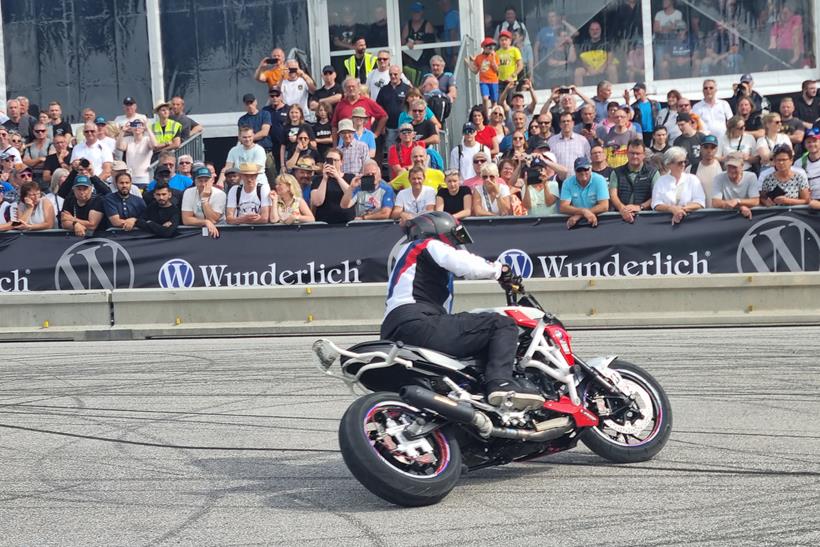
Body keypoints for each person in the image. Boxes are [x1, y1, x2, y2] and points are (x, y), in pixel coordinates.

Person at [381, 210, 545, 409]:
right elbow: (466, 264)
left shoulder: (410, 260)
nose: (455, 244)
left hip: (395, 330)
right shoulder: (427, 245)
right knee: (501, 324)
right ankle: (501, 384)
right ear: (438, 230)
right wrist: (500, 270)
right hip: (419, 322)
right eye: (453, 237)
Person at [651, 146, 705, 224]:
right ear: (669, 164)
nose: (683, 165)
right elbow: (655, 204)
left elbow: (700, 202)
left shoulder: (693, 179)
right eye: (680, 163)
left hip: (690, 222)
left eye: (685, 162)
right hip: (665, 223)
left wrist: (681, 209)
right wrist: (671, 209)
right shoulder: (660, 181)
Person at [559, 156, 609, 228]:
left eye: (586, 169)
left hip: (598, 220)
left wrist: (580, 215)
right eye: (579, 170)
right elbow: (563, 207)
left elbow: (604, 206)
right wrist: (583, 211)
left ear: (591, 169)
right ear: (575, 171)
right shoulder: (567, 182)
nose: (583, 172)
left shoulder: (600, 179)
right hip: (575, 223)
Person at [310, 149, 355, 225]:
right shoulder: (317, 180)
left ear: (341, 162)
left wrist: (338, 177)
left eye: (335, 160)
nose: (332, 163)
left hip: (346, 223)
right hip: (324, 223)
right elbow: (317, 202)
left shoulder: (350, 177)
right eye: (329, 160)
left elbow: (353, 196)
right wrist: (324, 179)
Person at [181, 166, 226, 238]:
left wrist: (204, 200)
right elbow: (186, 219)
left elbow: (213, 220)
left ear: (212, 181)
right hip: (197, 228)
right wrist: (205, 222)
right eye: (200, 181)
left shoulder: (220, 194)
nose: (203, 184)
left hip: (220, 229)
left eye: (206, 180)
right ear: (195, 181)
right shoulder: (188, 192)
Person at [711, 153, 760, 219]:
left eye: (734, 167)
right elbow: (715, 202)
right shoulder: (718, 178)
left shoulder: (751, 177)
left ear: (742, 166)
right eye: (729, 166)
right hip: (726, 217)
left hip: (748, 217)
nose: (731, 170)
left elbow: (755, 200)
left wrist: (737, 201)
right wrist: (740, 206)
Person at [574, 21, 617, 86]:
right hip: (589, 69)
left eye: (597, 29)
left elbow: (609, 59)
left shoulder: (606, 44)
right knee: (578, 71)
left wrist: (601, 68)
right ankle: (579, 93)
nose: (595, 31)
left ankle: (615, 90)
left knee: (612, 68)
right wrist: (589, 69)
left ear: (600, 30)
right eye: (592, 29)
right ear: (589, 31)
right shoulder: (584, 45)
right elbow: (583, 60)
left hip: (603, 68)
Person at [548, 112, 591, 177]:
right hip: (558, 181)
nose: (566, 123)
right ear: (560, 124)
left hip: (578, 179)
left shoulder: (582, 140)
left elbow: (589, 159)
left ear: (573, 123)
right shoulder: (552, 141)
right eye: (563, 121)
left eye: (568, 121)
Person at [116, 119, 157, 187]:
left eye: (140, 125)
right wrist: (123, 131)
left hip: (144, 178)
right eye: (134, 125)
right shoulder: (128, 139)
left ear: (143, 128)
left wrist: (148, 129)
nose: (137, 127)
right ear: (131, 128)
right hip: (130, 177)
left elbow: (155, 145)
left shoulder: (147, 139)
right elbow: (119, 147)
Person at [686, 134, 721, 206]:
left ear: (717, 149)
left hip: (718, 213)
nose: (709, 150)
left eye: (712, 147)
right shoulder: (691, 169)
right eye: (706, 147)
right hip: (697, 212)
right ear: (701, 148)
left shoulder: (723, 168)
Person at [466, 37, 501, 109]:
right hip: (484, 81)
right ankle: (486, 115)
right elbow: (475, 71)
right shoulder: (479, 57)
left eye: (492, 46)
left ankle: (492, 115)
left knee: (494, 101)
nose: (491, 48)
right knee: (485, 98)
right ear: (484, 47)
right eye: (488, 46)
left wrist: (493, 57)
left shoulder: (496, 56)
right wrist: (469, 64)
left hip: (494, 81)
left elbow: (496, 70)